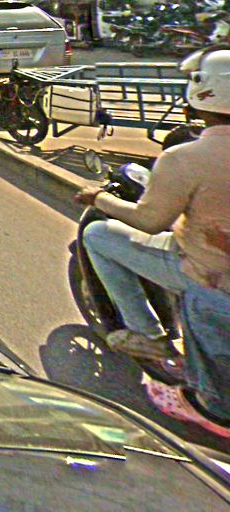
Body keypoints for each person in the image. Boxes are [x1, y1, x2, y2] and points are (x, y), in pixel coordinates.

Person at [74, 46, 230, 431]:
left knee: (97, 234)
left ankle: (149, 337)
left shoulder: (185, 157)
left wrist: (100, 199)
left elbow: (149, 220)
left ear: (200, 93)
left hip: (208, 273)